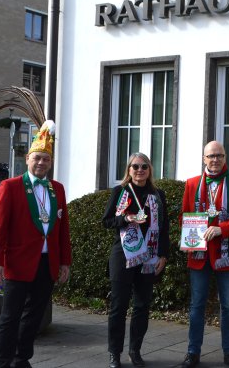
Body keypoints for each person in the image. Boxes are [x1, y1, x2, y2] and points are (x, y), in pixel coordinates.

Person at [0, 120, 72, 368]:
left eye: (46, 159)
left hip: (47, 263)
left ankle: (21, 358)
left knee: (34, 315)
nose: (41, 163)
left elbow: (62, 229)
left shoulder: (57, 189)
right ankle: (2, 362)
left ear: (51, 162)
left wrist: (65, 261)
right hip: (18, 263)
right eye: (37, 158)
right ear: (27, 158)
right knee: (10, 316)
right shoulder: (11, 187)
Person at [180, 141, 229, 368]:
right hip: (199, 255)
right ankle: (193, 352)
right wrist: (187, 238)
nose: (215, 160)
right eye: (211, 156)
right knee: (197, 306)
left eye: (219, 155)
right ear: (204, 158)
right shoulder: (192, 184)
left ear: (225, 157)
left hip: (225, 254)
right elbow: (185, 215)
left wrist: (224, 229)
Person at [101, 153, 170, 368]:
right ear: (128, 170)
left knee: (142, 306)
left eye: (144, 166)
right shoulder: (120, 192)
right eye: (135, 166)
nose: (139, 170)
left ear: (149, 170)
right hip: (123, 256)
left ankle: (135, 350)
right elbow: (106, 221)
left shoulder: (157, 195)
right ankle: (115, 353)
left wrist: (164, 255)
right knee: (118, 307)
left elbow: (165, 228)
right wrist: (125, 219)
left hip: (148, 256)